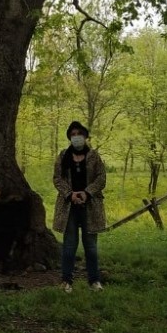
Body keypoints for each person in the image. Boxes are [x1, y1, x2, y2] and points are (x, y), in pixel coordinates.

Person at [53, 121, 107, 292]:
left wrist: (87, 192)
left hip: (90, 207)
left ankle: (94, 281)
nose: (76, 137)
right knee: (69, 245)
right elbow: (57, 178)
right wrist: (70, 194)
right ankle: (66, 281)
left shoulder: (94, 156)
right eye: (73, 134)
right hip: (69, 207)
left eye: (79, 134)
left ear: (85, 136)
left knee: (90, 246)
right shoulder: (63, 156)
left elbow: (101, 178)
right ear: (70, 137)